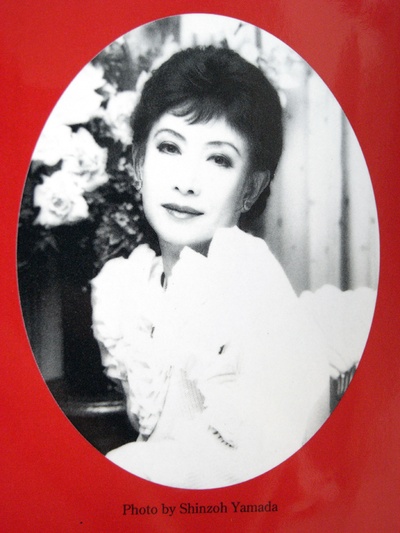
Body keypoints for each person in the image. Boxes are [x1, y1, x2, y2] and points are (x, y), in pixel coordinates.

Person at [91, 45, 330, 489]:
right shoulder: (129, 288)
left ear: (251, 188)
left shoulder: (252, 286)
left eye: (219, 159)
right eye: (169, 147)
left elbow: (267, 458)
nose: (187, 182)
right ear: (139, 163)